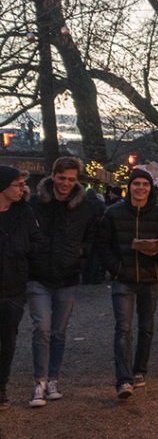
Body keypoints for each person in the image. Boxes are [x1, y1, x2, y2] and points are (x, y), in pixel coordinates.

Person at [26, 156, 103, 407]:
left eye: (71, 179)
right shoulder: (35, 203)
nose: (66, 183)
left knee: (58, 332)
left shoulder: (85, 207)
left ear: (77, 180)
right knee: (42, 329)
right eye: (62, 178)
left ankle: (53, 379)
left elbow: (93, 235)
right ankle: (39, 381)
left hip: (67, 276)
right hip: (38, 275)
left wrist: (80, 255)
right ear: (53, 176)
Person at [96, 168, 158, 399]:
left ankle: (140, 370)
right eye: (136, 183)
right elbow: (103, 245)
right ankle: (124, 379)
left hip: (151, 277)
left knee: (146, 327)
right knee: (123, 328)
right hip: (124, 279)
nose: (140, 188)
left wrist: (157, 251)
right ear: (129, 187)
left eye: (145, 184)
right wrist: (117, 268)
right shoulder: (113, 213)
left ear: (150, 188)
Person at [0, 166, 42, 411]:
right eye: (17, 184)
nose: (21, 189)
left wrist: (21, 248)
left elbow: (37, 242)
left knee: (8, 340)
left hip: (14, 286)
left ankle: (1, 385)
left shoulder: (24, 212)